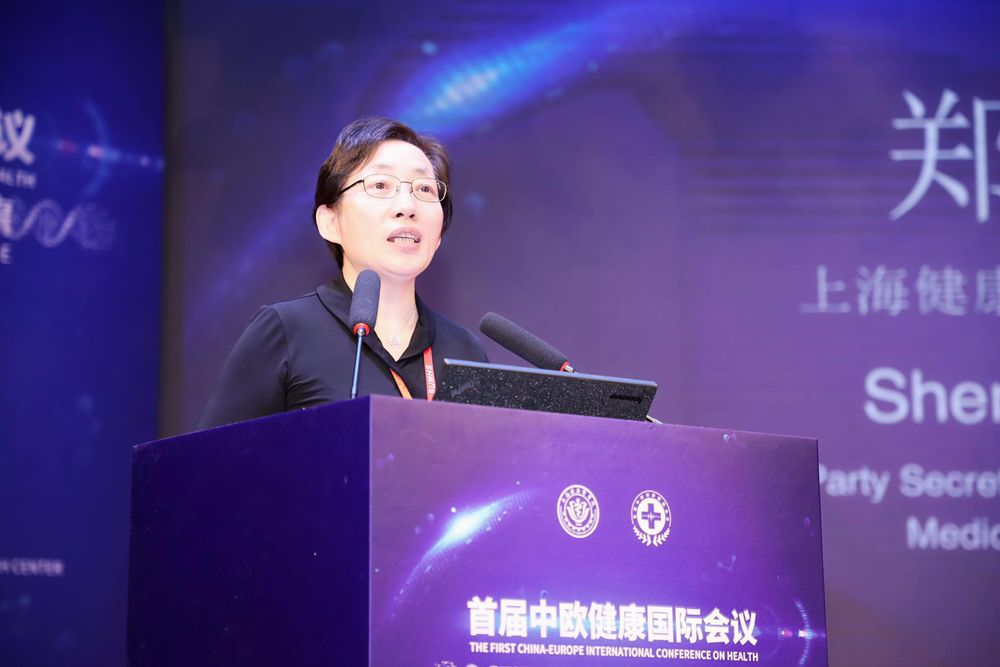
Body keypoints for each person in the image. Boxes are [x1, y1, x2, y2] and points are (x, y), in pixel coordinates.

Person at [199, 117, 487, 429]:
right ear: (330, 222)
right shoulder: (286, 331)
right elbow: (212, 456)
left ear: (439, 234)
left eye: (424, 189)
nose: (407, 206)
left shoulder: (465, 351)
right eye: (380, 185)